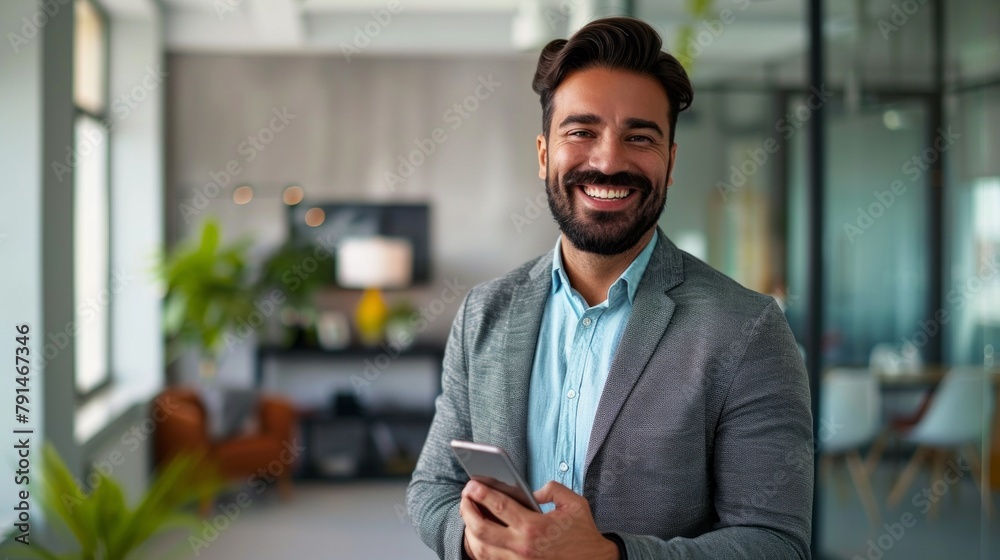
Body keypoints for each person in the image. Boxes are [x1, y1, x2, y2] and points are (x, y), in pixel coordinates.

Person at [407, 16, 813, 560]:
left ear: (669, 163)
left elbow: (775, 543)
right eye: (581, 132)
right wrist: (470, 540)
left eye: (639, 137)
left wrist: (610, 556)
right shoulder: (486, 312)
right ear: (544, 153)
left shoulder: (747, 330)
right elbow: (432, 488)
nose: (608, 161)